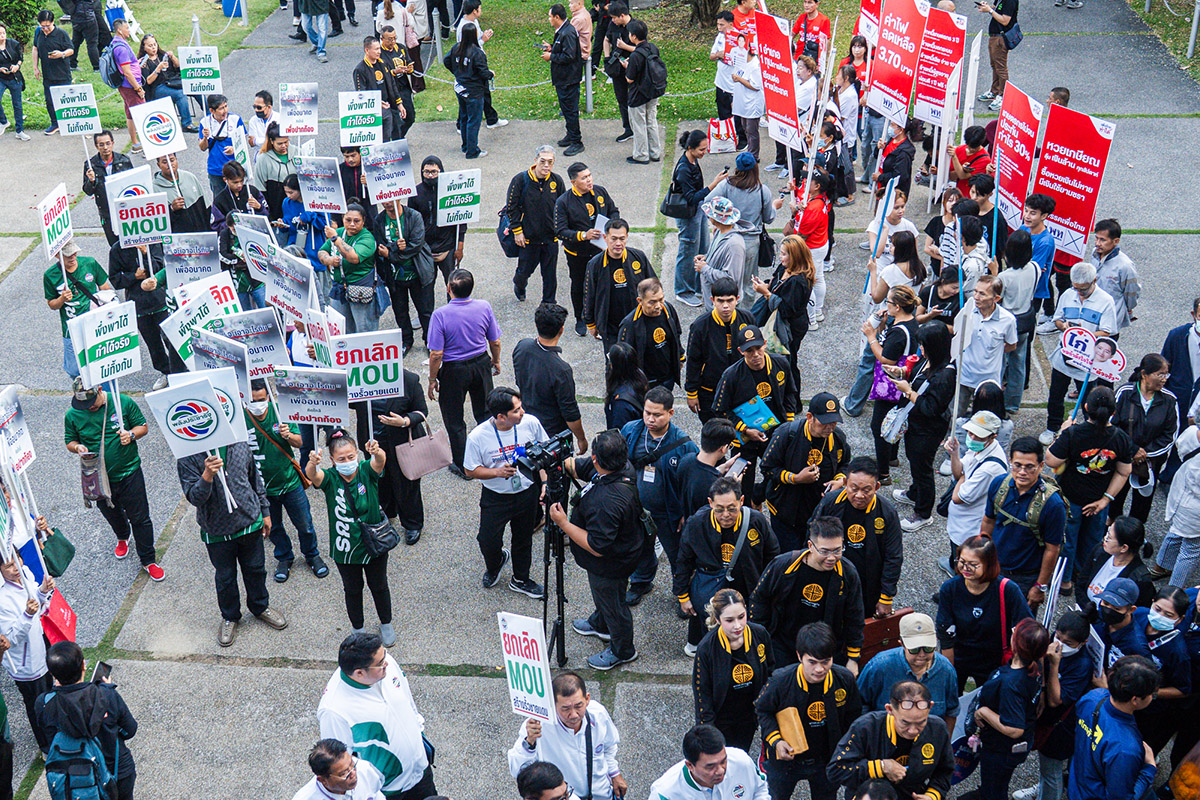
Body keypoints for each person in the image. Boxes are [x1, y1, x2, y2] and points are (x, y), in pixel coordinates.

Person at [177, 441, 288, 647]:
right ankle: (230, 617)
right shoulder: (188, 455)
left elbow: (255, 480)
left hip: (249, 522)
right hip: (217, 530)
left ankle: (260, 607)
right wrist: (207, 476)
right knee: (225, 578)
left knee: (256, 569)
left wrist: (265, 511)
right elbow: (195, 497)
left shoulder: (239, 444)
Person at [556, 429, 644, 670]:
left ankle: (623, 650)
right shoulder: (622, 466)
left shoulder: (607, 501)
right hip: (624, 551)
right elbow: (579, 467)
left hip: (610, 563)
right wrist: (554, 459)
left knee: (614, 604)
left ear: (596, 458)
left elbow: (597, 546)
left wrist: (564, 523)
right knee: (606, 598)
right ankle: (600, 623)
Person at [64, 377, 164, 581]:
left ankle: (148, 560)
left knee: (141, 518)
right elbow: (69, 440)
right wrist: (77, 447)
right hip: (97, 477)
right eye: (84, 404)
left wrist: (132, 435)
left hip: (129, 473)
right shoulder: (73, 414)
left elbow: (142, 427)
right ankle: (122, 535)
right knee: (111, 513)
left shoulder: (123, 402)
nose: (89, 408)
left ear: (100, 390)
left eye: (91, 403)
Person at [318, 633, 436, 800]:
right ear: (359, 673)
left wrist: (420, 732)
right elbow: (339, 763)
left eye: (385, 656)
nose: (387, 662)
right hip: (391, 790)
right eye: (380, 663)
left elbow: (408, 701)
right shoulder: (334, 711)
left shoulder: (383, 662)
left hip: (421, 770)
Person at [756, 622, 862, 800]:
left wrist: (844, 753)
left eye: (825, 661)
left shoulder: (844, 679)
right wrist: (776, 741)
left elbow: (853, 717)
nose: (819, 669)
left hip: (826, 761)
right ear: (799, 656)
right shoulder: (779, 681)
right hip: (785, 761)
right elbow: (762, 710)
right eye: (812, 662)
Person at [307, 430, 395, 642]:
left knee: (379, 585)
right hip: (345, 547)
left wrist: (378, 452)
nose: (347, 462)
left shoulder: (366, 470)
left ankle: (386, 624)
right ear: (332, 460)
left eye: (350, 457)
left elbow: (380, 462)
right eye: (341, 459)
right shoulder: (330, 478)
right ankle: (358, 630)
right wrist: (312, 462)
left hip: (373, 543)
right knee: (352, 590)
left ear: (357, 454)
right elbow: (313, 475)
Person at [675, 476, 779, 653]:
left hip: (748, 588)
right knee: (712, 636)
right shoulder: (696, 524)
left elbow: (773, 554)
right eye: (719, 509)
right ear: (710, 503)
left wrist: (769, 589)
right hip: (711, 589)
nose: (725, 515)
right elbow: (684, 560)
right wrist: (683, 596)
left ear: (741, 501)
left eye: (732, 508)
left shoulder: (756, 521)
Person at [463, 388, 549, 600]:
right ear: (501, 416)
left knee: (523, 539)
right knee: (487, 540)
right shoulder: (477, 437)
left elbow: (544, 453)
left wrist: (545, 482)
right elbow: (469, 470)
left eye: (521, 407)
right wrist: (496, 472)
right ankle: (496, 562)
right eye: (517, 410)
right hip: (495, 497)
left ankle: (521, 579)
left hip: (527, 492)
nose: (523, 412)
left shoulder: (530, 423)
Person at [1045, 386, 1133, 588]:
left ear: (1085, 407)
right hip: (1099, 501)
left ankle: (1064, 581)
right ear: (1113, 411)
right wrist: (1105, 500)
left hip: (1069, 498)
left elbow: (1050, 459)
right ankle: (1083, 577)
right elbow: (1123, 472)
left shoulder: (1073, 433)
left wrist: (1062, 432)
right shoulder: (1121, 439)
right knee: (1093, 542)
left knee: (1067, 540)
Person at [750, 516, 864, 670]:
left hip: (825, 652)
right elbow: (759, 600)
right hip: (783, 648)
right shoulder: (782, 566)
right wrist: (759, 642)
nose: (831, 558)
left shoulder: (848, 573)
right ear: (810, 545)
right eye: (824, 551)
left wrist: (853, 658)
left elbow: (855, 616)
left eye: (837, 550)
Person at [618, 387, 697, 603]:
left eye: (657, 414)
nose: (650, 419)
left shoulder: (684, 444)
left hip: (668, 512)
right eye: (647, 412)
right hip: (636, 507)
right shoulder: (631, 430)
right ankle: (641, 582)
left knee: (677, 554)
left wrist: (684, 512)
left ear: (670, 413)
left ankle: (683, 594)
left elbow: (693, 482)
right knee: (640, 547)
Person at [245, 380, 328, 583]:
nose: (257, 404)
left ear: (269, 396)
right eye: (252, 400)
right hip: (263, 489)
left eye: (261, 399)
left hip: (290, 483)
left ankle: (312, 555)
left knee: (305, 524)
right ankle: (284, 557)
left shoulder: (280, 410)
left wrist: (288, 435)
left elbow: (300, 442)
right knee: (273, 528)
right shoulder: (241, 418)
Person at [36, 641, 138, 800]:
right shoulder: (106, 695)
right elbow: (130, 730)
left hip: (73, 777)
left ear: (53, 674)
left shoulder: (43, 703)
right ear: (84, 665)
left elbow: (49, 739)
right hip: (116, 772)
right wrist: (107, 688)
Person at [936, 534, 1032, 692]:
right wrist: (949, 674)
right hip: (959, 656)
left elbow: (1026, 629)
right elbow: (945, 635)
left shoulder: (1008, 590)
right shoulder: (949, 589)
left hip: (993, 661)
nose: (965, 568)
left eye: (973, 564)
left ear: (989, 564)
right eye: (962, 562)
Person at [428, 268, 502, 474]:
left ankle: (463, 465)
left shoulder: (440, 315)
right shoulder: (484, 307)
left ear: (448, 288)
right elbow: (494, 340)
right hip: (480, 364)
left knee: (454, 420)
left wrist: (432, 379)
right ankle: (489, 457)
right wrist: (496, 361)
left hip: (454, 371)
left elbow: (436, 354)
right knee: (486, 413)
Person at [827, 681, 954, 800]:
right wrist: (881, 767)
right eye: (905, 723)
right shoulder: (866, 727)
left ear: (930, 707)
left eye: (921, 722)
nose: (913, 730)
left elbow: (945, 770)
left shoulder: (938, 729)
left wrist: (933, 794)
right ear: (890, 710)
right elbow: (836, 770)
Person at [507, 672, 625, 800]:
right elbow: (518, 771)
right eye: (565, 709)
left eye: (578, 706)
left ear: (587, 699)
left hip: (602, 794)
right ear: (553, 704)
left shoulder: (598, 714)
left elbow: (609, 746)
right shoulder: (537, 725)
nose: (574, 714)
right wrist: (529, 742)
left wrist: (615, 774)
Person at [713, 325, 798, 497]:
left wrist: (788, 424)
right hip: (744, 440)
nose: (756, 355)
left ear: (765, 344)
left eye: (758, 348)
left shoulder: (781, 364)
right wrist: (744, 429)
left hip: (775, 434)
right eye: (749, 351)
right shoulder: (731, 376)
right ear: (740, 351)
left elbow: (790, 393)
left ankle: (759, 497)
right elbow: (720, 410)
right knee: (741, 483)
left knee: (778, 476)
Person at [980, 437, 1066, 605]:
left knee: (1019, 627)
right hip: (994, 567)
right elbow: (988, 521)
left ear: (1041, 466)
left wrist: (1040, 586)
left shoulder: (1053, 504)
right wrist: (981, 556)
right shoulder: (999, 484)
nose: (1022, 472)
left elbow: (1052, 549)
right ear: (1010, 461)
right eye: (1017, 465)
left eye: (1030, 467)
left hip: (1025, 578)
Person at [887, 322, 957, 531]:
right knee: (914, 461)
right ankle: (914, 492)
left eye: (924, 345)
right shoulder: (929, 361)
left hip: (928, 429)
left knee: (922, 468)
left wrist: (908, 391)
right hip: (915, 424)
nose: (921, 349)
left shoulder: (945, 375)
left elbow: (930, 408)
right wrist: (901, 373)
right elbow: (916, 376)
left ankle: (923, 512)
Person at [813, 457, 902, 618]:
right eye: (854, 488)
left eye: (866, 490)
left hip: (868, 584)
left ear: (877, 487)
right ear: (845, 482)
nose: (859, 496)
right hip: (830, 577)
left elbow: (893, 556)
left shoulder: (887, 513)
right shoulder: (830, 503)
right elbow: (812, 538)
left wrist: (886, 597)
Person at [1040, 262, 1118, 445]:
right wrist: (1065, 326)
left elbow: (1107, 332)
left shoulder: (1105, 301)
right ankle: (1052, 427)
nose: (1079, 293)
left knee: (1088, 399)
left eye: (1083, 289)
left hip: (1087, 361)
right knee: (1056, 394)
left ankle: (1088, 431)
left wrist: (1085, 335)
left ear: (1094, 281)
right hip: (1064, 356)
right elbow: (1058, 320)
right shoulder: (1068, 295)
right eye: (1076, 288)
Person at [972, 618, 1050, 800]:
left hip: (1002, 749)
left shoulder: (1011, 685)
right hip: (1020, 742)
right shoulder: (1037, 664)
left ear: (1016, 645)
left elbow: (1014, 729)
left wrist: (982, 711)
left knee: (994, 791)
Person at [761, 393, 850, 552]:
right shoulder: (786, 434)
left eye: (834, 422)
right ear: (810, 417)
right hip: (786, 512)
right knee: (789, 557)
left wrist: (839, 480)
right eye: (824, 423)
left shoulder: (838, 438)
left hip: (818, 512)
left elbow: (845, 465)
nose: (830, 427)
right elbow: (767, 467)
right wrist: (795, 478)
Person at [1067, 656, 1159, 800]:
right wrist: (1150, 768)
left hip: (1077, 784)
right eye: (1151, 694)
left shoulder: (1092, 697)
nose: (1152, 697)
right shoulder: (1125, 749)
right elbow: (1122, 797)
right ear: (1134, 699)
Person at [692, 589, 773, 751]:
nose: (737, 626)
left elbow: (770, 671)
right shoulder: (707, 649)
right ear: (718, 619)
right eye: (729, 620)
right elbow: (702, 694)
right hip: (722, 720)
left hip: (749, 717)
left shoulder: (760, 634)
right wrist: (708, 734)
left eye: (741, 617)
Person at [856, 613, 959, 727]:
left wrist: (944, 743)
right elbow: (860, 707)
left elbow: (951, 712)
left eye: (928, 648)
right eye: (914, 649)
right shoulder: (878, 666)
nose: (922, 654)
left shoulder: (946, 670)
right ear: (902, 644)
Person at [106, 241, 186, 386]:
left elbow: (162, 269)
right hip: (139, 305)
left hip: (160, 301)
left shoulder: (153, 243)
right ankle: (166, 372)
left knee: (171, 339)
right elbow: (115, 280)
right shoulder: (116, 249)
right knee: (153, 344)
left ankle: (180, 372)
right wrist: (134, 277)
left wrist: (145, 253)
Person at [1111, 353, 1177, 523]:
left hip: (1149, 463)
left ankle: (1134, 538)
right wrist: (1132, 450)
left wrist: (1145, 454)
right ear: (1144, 374)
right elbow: (1112, 426)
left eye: (1166, 374)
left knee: (1142, 506)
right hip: (1122, 459)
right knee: (1114, 500)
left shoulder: (1170, 401)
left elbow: (1170, 436)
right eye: (1160, 374)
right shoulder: (1124, 394)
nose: (1164, 379)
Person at [864, 287, 920, 486]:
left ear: (897, 306)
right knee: (895, 417)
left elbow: (886, 358)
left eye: (888, 302)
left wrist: (871, 335)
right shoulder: (910, 322)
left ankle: (883, 473)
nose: (885, 306)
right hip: (904, 380)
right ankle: (892, 457)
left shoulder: (898, 333)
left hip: (890, 383)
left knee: (879, 425)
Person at [554, 162, 619, 331]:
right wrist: (584, 235)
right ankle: (580, 318)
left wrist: (612, 227)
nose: (589, 180)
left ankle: (604, 314)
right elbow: (560, 231)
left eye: (589, 176)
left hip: (601, 250)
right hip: (578, 254)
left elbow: (613, 210)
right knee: (579, 285)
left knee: (605, 281)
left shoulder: (600, 191)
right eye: (584, 178)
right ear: (573, 181)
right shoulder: (563, 202)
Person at [513, 303, 587, 451]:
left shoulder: (522, 347)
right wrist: (581, 439)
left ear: (536, 324)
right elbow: (570, 413)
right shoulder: (561, 370)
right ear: (561, 330)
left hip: (526, 426)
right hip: (554, 436)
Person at [0, 550, 54, 753]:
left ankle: (56, 730)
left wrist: (42, 591)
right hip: (25, 662)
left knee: (50, 692)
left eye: (17, 560)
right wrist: (27, 615)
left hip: (40, 646)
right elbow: (10, 639)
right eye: (8, 566)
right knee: (36, 704)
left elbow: (37, 603)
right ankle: (46, 746)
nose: (15, 568)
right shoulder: (2, 599)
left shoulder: (26, 574)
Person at [43, 238, 114, 379]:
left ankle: (103, 396)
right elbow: (51, 304)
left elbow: (105, 289)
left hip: (95, 324)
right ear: (57, 255)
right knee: (75, 370)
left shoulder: (90, 263)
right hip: (71, 329)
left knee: (102, 365)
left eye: (74, 253)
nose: (73, 257)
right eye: (68, 255)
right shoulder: (50, 275)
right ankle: (85, 394)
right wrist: (62, 299)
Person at [373, 193, 435, 354]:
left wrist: (392, 253)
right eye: (383, 200)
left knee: (425, 311)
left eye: (390, 199)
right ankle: (406, 340)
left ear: (399, 197)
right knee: (400, 311)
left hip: (418, 273)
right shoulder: (379, 221)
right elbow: (380, 248)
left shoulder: (413, 216)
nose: (387, 203)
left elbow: (416, 244)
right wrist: (393, 249)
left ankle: (429, 340)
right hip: (395, 277)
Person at [751, 235, 814, 389]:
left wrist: (766, 293)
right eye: (780, 253)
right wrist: (764, 285)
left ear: (795, 256)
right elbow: (775, 284)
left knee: (789, 361)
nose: (781, 257)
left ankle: (793, 399)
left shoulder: (798, 282)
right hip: (780, 322)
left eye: (784, 254)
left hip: (791, 327)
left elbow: (786, 310)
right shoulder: (785, 267)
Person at [583, 219, 654, 353]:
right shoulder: (595, 265)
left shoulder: (638, 257)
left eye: (622, 238)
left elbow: (653, 286)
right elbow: (589, 294)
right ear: (605, 237)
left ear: (627, 237)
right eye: (613, 238)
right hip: (610, 327)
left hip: (637, 322)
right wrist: (590, 323)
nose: (618, 243)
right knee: (613, 365)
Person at [670, 130, 724, 307]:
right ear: (690, 148)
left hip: (697, 211)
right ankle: (683, 291)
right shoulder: (684, 169)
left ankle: (696, 286)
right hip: (688, 214)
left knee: (702, 247)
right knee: (688, 251)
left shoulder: (693, 161)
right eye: (701, 149)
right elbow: (691, 197)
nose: (704, 152)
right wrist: (713, 185)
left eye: (706, 148)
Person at [684, 277, 750, 421]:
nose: (725, 306)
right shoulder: (700, 326)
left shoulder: (747, 319)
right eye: (720, 301)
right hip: (710, 391)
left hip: (739, 389)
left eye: (730, 300)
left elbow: (754, 352)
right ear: (712, 300)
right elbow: (693, 361)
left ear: (737, 299)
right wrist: (691, 392)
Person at [507, 146, 565, 304]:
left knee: (550, 276)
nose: (546, 165)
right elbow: (511, 208)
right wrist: (517, 231)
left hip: (550, 239)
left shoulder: (557, 181)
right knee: (524, 271)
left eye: (550, 162)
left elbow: (563, 208)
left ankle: (548, 304)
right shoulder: (520, 180)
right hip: (528, 240)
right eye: (543, 161)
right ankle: (519, 285)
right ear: (535, 161)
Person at [648, 724, 769, 800]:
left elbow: (760, 788)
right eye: (710, 766)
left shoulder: (741, 761)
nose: (721, 770)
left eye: (723, 761)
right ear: (690, 765)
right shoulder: (665, 794)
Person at [997, 230, 1040, 413]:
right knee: (1018, 364)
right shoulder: (1035, 268)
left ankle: (995, 399)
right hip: (1025, 320)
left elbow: (998, 298)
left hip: (1007, 322)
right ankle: (1013, 404)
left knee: (999, 363)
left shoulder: (1005, 277)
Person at [668, 419, 739, 527]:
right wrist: (734, 486)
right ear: (724, 449)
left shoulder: (686, 460)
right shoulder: (714, 486)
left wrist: (721, 468)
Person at [320, 204, 379, 333]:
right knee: (341, 330)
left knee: (364, 330)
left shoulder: (367, 238)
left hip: (360, 290)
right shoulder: (340, 231)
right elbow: (322, 252)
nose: (352, 224)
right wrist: (329, 260)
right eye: (348, 220)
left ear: (363, 221)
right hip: (339, 289)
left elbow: (354, 257)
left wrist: (335, 239)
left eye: (356, 221)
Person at [616, 278, 682, 391]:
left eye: (661, 299)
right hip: (646, 384)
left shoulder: (668, 310)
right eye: (652, 302)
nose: (658, 306)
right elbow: (624, 358)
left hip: (668, 379)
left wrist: (680, 358)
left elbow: (677, 334)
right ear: (640, 301)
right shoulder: (629, 324)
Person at [1077, 516, 1155, 610]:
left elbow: (1137, 613)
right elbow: (1080, 584)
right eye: (1107, 533)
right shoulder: (1100, 552)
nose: (1104, 538)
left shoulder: (1140, 580)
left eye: (1109, 537)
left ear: (1124, 548)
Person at [1156, 423, 1200, 586]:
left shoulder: (1191, 434)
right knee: (1191, 550)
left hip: (1180, 496)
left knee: (1175, 533)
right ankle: (1174, 589)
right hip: (1196, 511)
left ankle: (1160, 567)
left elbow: (1180, 447)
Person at [410, 156, 466, 285]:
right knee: (426, 285)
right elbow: (412, 222)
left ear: (441, 171)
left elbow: (461, 219)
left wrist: (460, 246)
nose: (430, 176)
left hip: (448, 245)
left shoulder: (451, 191)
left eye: (434, 172)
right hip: (426, 248)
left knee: (453, 284)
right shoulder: (415, 193)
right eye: (427, 172)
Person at [543, 4, 585, 156]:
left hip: (569, 79)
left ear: (557, 17)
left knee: (570, 110)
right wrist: (552, 48)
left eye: (550, 16)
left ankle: (577, 141)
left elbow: (569, 56)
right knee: (566, 109)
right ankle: (570, 134)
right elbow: (564, 50)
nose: (549, 19)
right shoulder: (563, 31)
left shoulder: (568, 32)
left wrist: (551, 56)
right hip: (563, 78)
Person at [444, 25, 491, 159]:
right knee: (473, 121)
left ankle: (465, 146)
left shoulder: (456, 48)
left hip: (460, 88)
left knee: (464, 117)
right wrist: (490, 74)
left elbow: (446, 61)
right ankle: (472, 151)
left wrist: (457, 72)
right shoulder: (477, 53)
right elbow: (483, 72)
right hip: (474, 91)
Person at [81, 130, 133, 247]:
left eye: (108, 143)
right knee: (115, 246)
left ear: (113, 143)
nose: (105, 147)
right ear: (96, 146)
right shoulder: (90, 165)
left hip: (125, 210)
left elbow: (133, 184)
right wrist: (92, 181)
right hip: (107, 213)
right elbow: (88, 191)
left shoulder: (124, 161)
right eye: (101, 144)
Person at [624, 20, 664, 167]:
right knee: (651, 121)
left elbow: (629, 79)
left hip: (638, 94)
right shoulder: (653, 48)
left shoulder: (635, 56)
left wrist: (627, 67)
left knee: (639, 123)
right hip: (653, 91)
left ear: (634, 37)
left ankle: (641, 154)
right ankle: (655, 152)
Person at [292, 738, 386, 800]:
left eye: (352, 764)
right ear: (323, 780)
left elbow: (377, 795)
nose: (353, 773)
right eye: (344, 773)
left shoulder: (363, 769)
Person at [694, 198, 746, 307]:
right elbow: (720, 259)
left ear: (716, 219)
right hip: (713, 300)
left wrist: (704, 269)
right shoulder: (719, 231)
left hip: (724, 306)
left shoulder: (734, 245)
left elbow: (731, 279)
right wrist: (706, 258)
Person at [139, 35, 194, 133]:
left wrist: (172, 57)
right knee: (180, 94)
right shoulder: (144, 61)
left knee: (191, 86)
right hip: (157, 88)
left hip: (171, 81)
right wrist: (158, 69)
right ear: (144, 48)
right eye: (150, 46)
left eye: (154, 44)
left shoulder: (162, 55)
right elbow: (148, 81)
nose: (153, 48)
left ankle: (210, 111)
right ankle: (187, 124)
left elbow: (178, 67)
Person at [353, 37, 401, 142]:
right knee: (375, 142)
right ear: (367, 50)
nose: (379, 52)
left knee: (388, 139)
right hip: (373, 113)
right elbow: (361, 94)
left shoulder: (383, 64)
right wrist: (377, 103)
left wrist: (399, 103)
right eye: (376, 49)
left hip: (388, 108)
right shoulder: (360, 69)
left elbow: (392, 84)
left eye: (379, 48)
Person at [200, 93, 250, 194]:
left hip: (235, 169)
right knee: (219, 199)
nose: (225, 110)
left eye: (226, 106)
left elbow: (244, 142)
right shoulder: (204, 122)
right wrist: (205, 137)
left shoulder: (235, 119)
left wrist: (234, 148)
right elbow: (202, 147)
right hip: (216, 169)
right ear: (212, 110)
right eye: (221, 108)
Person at [32, 11, 72, 135]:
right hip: (47, 72)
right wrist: (35, 67)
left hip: (62, 72)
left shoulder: (61, 34)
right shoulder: (38, 32)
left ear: (53, 22)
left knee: (64, 99)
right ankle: (55, 123)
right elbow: (35, 48)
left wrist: (62, 54)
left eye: (47, 26)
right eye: (42, 26)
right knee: (49, 100)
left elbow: (71, 49)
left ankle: (68, 123)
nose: (45, 29)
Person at [976, 0, 1018, 112]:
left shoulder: (1010, 1)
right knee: (994, 65)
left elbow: (1005, 20)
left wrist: (989, 10)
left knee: (1001, 68)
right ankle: (994, 91)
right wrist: (988, 7)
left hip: (1000, 38)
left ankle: (1002, 95)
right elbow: (997, 8)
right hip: (995, 37)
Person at [602, 2, 635, 142]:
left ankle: (637, 127)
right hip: (617, 69)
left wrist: (625, 46)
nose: (613, 21)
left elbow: (643, 49)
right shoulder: (613, 25)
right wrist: (607, 57)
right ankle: (628, 128)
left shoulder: (635, 27)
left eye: (615, 18)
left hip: (633, 68)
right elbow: (606, 39)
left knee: (634, 99)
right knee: (621, 98)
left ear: (622, 15)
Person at [379, 24, 418, 140]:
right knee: (395, 120)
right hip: (390, 91)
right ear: (382, 39)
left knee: (410, 117)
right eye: (390, 39)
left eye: (395, 38)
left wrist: (409, 69)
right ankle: (396, 140)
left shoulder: (400, 48)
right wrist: (394, 72)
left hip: (404, 87)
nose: (393, 41)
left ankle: (399, 137)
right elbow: (381, 74)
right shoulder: (379, 53)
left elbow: (408, 62)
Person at [153, 153, 210, 233]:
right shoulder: (154, 189)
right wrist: (171, 209)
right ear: (158, 165)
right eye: (165, 162)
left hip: (201, 232)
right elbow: (158, 222)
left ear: (176, 160)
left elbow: (206, 206)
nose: (169, 164)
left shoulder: (190, 177)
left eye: (172, 160)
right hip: (180, 239)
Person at [252, 122, 294, 224]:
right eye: (280, 143)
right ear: (271, 141)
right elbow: (260, 188)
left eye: (286, 142)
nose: (284, 146)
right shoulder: (263, 159)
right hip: (275, 206)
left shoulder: (298, 153)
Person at [868, 119, 920, 198]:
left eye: (892, 125)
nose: (890, 127)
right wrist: (879, 148)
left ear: (901, 129)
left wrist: (880, 177)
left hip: (893, 193)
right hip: (882, 187)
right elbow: (879, 158)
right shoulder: (892, 140)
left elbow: (900, 176)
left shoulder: (904, 152)